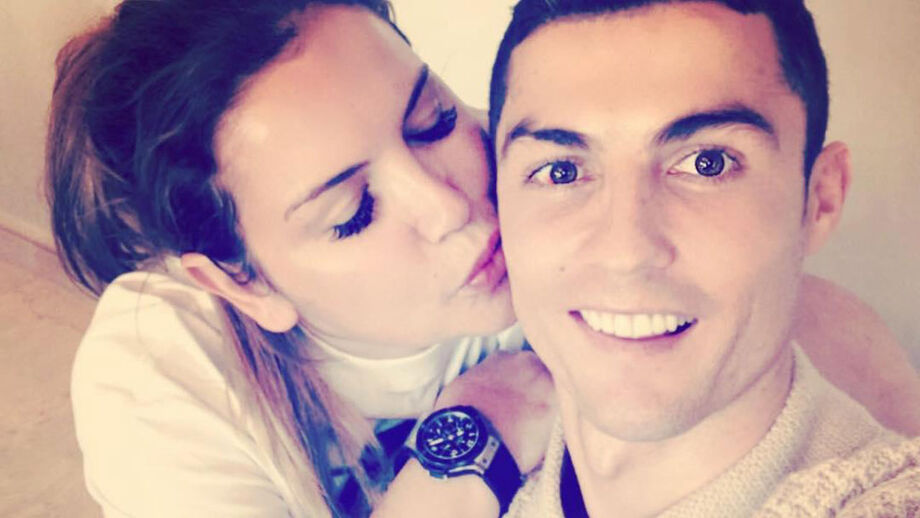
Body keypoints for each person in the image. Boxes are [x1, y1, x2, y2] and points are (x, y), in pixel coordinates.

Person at [47, 0, 916, 516]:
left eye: (433, 121)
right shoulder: (164, 370)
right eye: (353, 213)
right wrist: (475, 433)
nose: (457, 206)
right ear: (242, 280)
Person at [487, 0, 920, 516]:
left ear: (820, 199)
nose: (626, 253)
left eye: (707, 163)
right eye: (560, 172)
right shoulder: (475, 451)